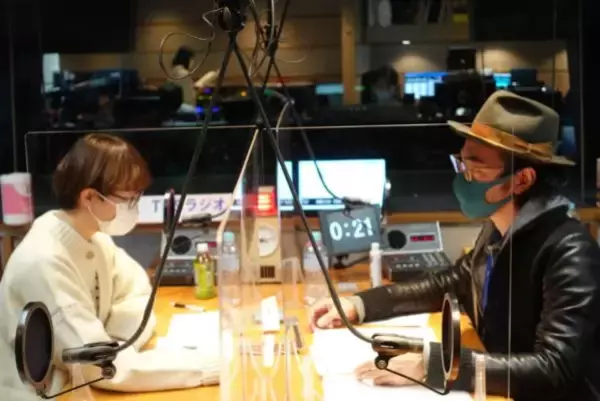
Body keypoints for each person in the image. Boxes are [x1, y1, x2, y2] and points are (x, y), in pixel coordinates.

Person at [309, 91, 600, 401]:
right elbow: (448, 284)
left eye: (476, 170)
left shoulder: (570, 251)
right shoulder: (498, 230)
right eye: (461, 164)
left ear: (522, 180)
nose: (463, 179)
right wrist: (358, 305)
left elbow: (554, 369)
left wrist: (435, 366)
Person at [0, 134, 218, 400]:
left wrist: (116, 345)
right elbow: (100, 366)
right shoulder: (43, 261)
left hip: (83, 385)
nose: (134, 207)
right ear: (90, 197)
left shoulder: (95, 239)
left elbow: (138, 295)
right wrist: (211, 366)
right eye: (128, 199)